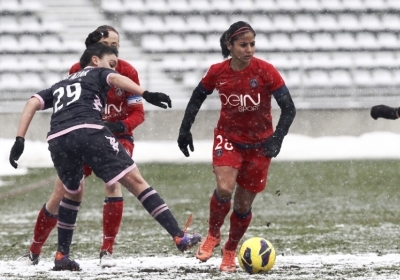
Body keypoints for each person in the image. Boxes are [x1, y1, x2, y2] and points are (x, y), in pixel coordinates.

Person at [10, 43, 201, 271]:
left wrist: (19, 139)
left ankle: (62, 255)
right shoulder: (98, 72)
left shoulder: (61, 83)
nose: (114, 68)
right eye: (111, 63)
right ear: (94, 60)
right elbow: (114, 79)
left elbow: (32, 102)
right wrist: (146, 93)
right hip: (90, 130)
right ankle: (179, 236)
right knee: (135, 181)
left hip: (58, 139)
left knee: (73, 191)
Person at [16, 26, 144, 268]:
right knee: (61, 191)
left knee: (112, 182)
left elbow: (138, 112)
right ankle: (34, 250)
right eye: (109, 43)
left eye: (117, 44)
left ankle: (107, 250)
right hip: (82, 134)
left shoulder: (127, 71)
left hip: (116, 136)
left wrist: (120, 126)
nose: (114, 48)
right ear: (94, 48)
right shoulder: (77, 71)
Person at [177, 21, 296, 272]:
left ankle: (230, 250)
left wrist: (277, 138)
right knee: (224, 187)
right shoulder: (217, 72)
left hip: (260, 145)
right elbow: (197, 96)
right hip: (228, 139)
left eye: (252, 44)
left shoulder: (266, 71)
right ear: (229, 46)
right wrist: (185, 129)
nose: (249, 49)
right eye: (243, 45)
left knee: (242, 206)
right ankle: (212, 235)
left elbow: (289, 108)